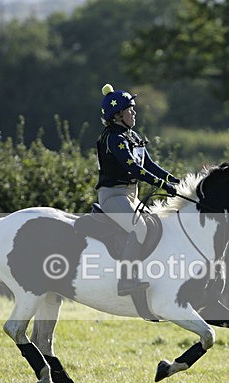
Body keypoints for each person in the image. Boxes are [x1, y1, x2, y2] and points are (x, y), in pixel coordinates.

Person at [96, 83, 180, 296]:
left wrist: (173, 180)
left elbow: (149, 165)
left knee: (155, 227)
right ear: (117, 115)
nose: (134, 112)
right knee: (139, 229)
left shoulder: (131, 136)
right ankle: (126, 281)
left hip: (129, 196)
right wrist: (162, 185)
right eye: (129, 109)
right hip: (113, 196)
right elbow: (133, 168)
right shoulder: (114, 138)